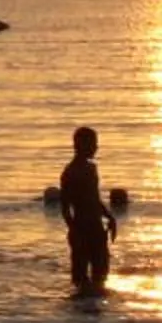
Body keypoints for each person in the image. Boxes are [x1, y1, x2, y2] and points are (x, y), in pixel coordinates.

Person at [59, 126, 117, 296]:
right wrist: (74, 231)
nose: (95, 148)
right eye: (92, 144)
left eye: (96, 144)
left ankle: (95, 318)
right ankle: (81, 318)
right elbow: (65, 207)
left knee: (101, 277)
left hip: (97, 229)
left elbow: (94, 198)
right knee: (81, 281)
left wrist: (109, 216)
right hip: (81, 229)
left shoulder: (92, 169)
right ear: (79, 145)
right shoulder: (70, 172)